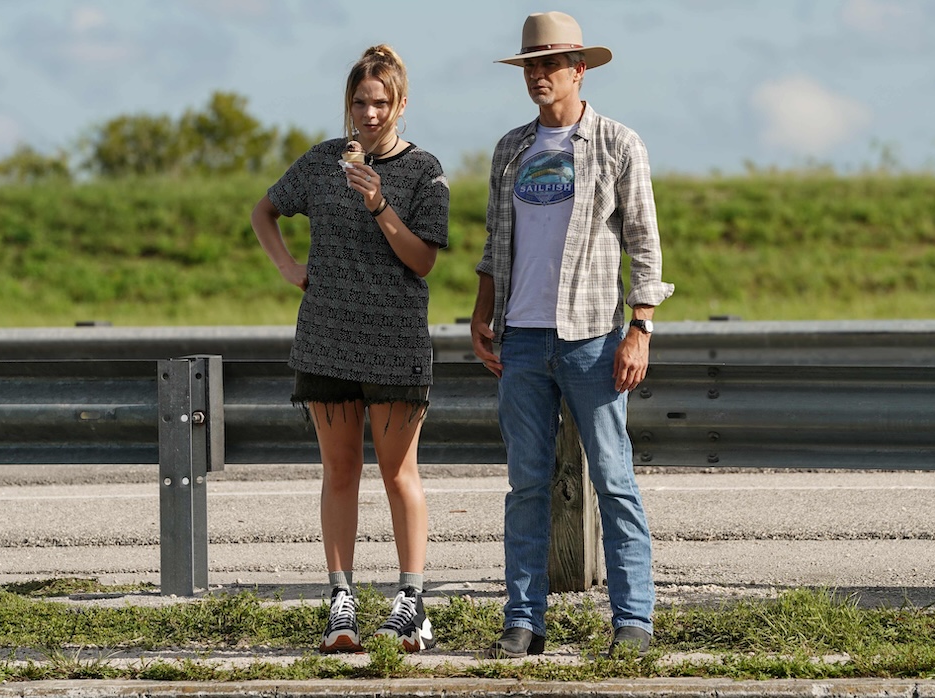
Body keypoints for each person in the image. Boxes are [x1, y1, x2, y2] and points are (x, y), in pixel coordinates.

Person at [469, 11, 674, 659]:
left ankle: (633, 622)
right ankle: (524, 622)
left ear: (579, 70)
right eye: (531, 65)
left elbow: (645, 242)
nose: (539, 75)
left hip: (592, 336)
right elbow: (494, 241)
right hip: (522, 338)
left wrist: (640, 327)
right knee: (526, 484)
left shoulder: (617, 143)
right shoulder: (510, 149)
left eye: (551, 65)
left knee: (614, 479)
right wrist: (483, 311)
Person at [250, 44, 449, 654]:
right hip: (327, 342)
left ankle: (411, 602)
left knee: (398, 474)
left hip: (395, 346)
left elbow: (424, 260)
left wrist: (378, 203)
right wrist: (289, 267)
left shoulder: (425, 171)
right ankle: (340, 603)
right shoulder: (320, 162)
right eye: (360, 102)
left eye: (381, 103)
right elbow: (265, 211)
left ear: (402, 105)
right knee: (338, 474)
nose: (369, 113)